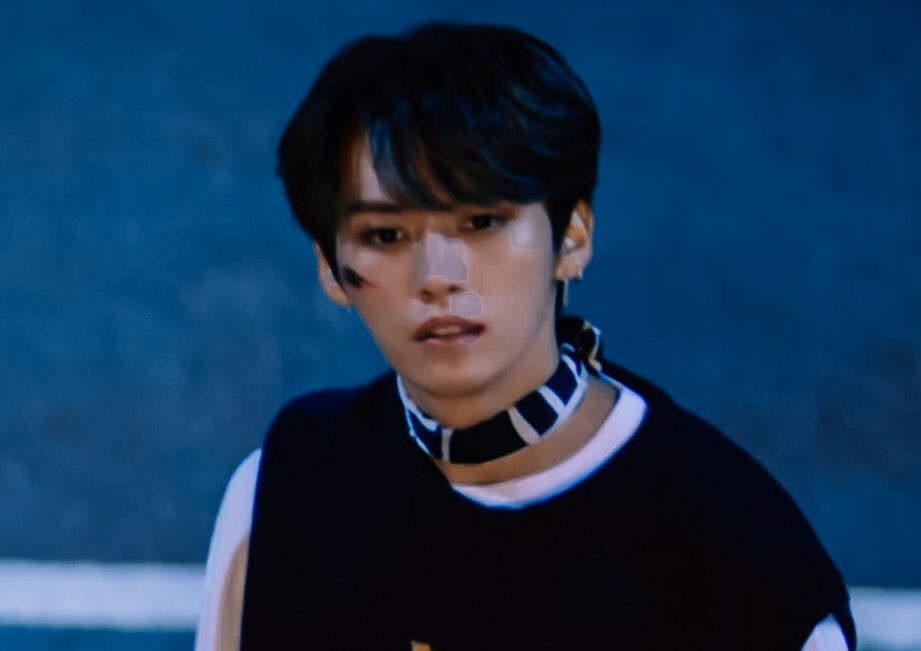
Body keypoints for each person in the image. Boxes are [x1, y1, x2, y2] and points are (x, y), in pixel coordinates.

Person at [195, 22, 856, 650]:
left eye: (482, 221)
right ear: (331, 267)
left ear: (572, 237)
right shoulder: (280, 494)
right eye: (387, 235)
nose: (438, 276)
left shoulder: (746, 569)